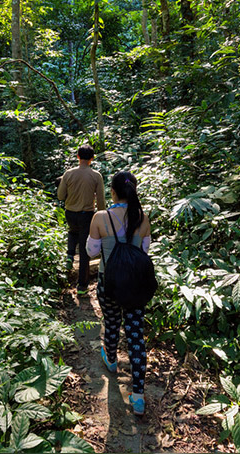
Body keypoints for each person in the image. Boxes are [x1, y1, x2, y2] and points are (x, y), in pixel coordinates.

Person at [85, 171, 152, 416]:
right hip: (135, 285)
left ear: (112, 192)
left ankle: (111, 361)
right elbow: (144, 251)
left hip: (108, 283)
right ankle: (138, 397)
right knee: (136, 335)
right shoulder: (143, 218)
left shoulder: (100, 218)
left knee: (112, 323)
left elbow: (92, 252)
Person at [57, 144, 106, 294]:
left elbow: (60, 196)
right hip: (87, 215)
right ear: (92, 158)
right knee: (85, 250)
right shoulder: (96, 175)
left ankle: (70, 255)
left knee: (72, 232)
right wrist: (102, 216)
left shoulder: (68, 174)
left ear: (78, 157)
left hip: (70, 212)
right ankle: (82, 286)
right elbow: (101, 201)